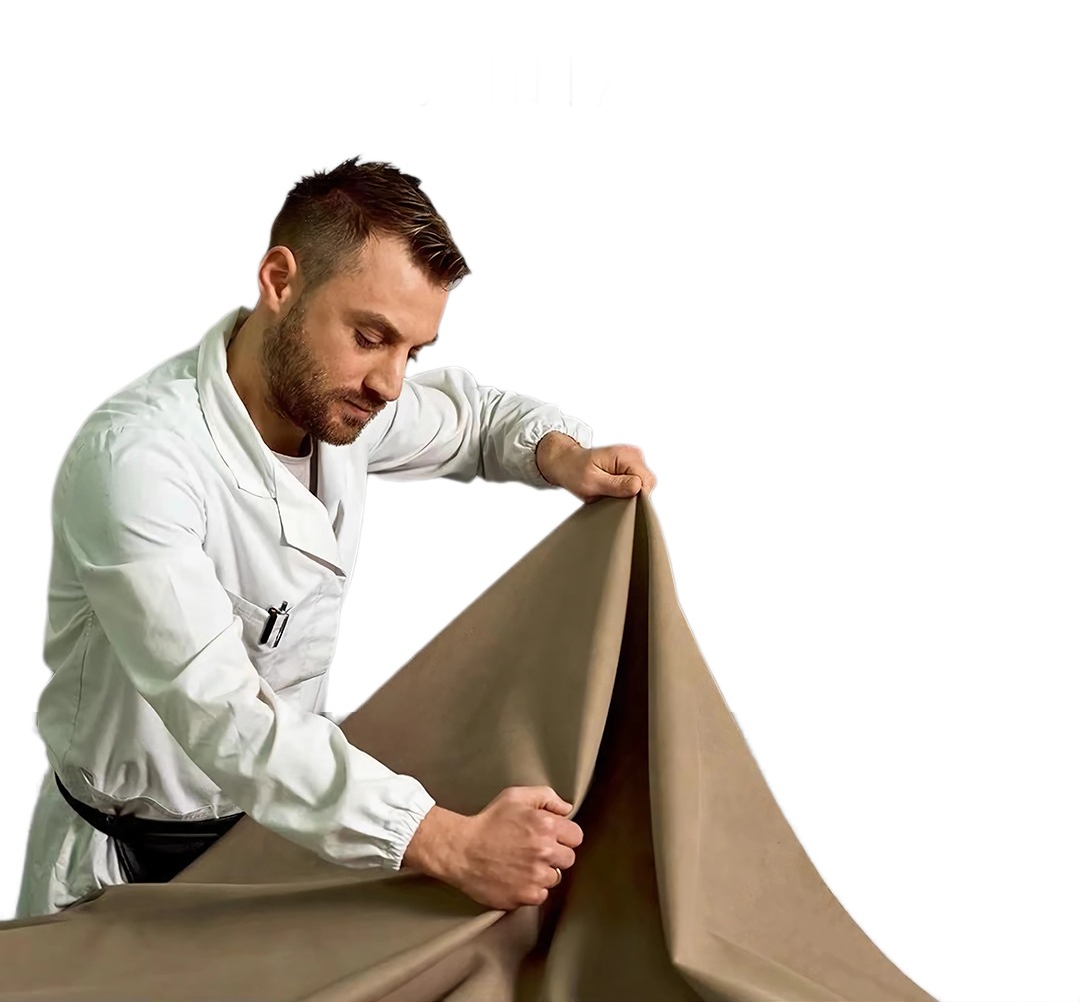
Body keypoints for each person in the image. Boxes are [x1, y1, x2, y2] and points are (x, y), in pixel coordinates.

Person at [15, 156, 657, 919]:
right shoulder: (139, 465)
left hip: (269, 835)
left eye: (412, 352)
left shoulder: (340, 405)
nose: (390, 383)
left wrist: (561, 454)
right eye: (370, 335)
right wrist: (449, 843)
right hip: (117, 867)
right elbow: (228, 717)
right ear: (279, 282)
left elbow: (477, 421)